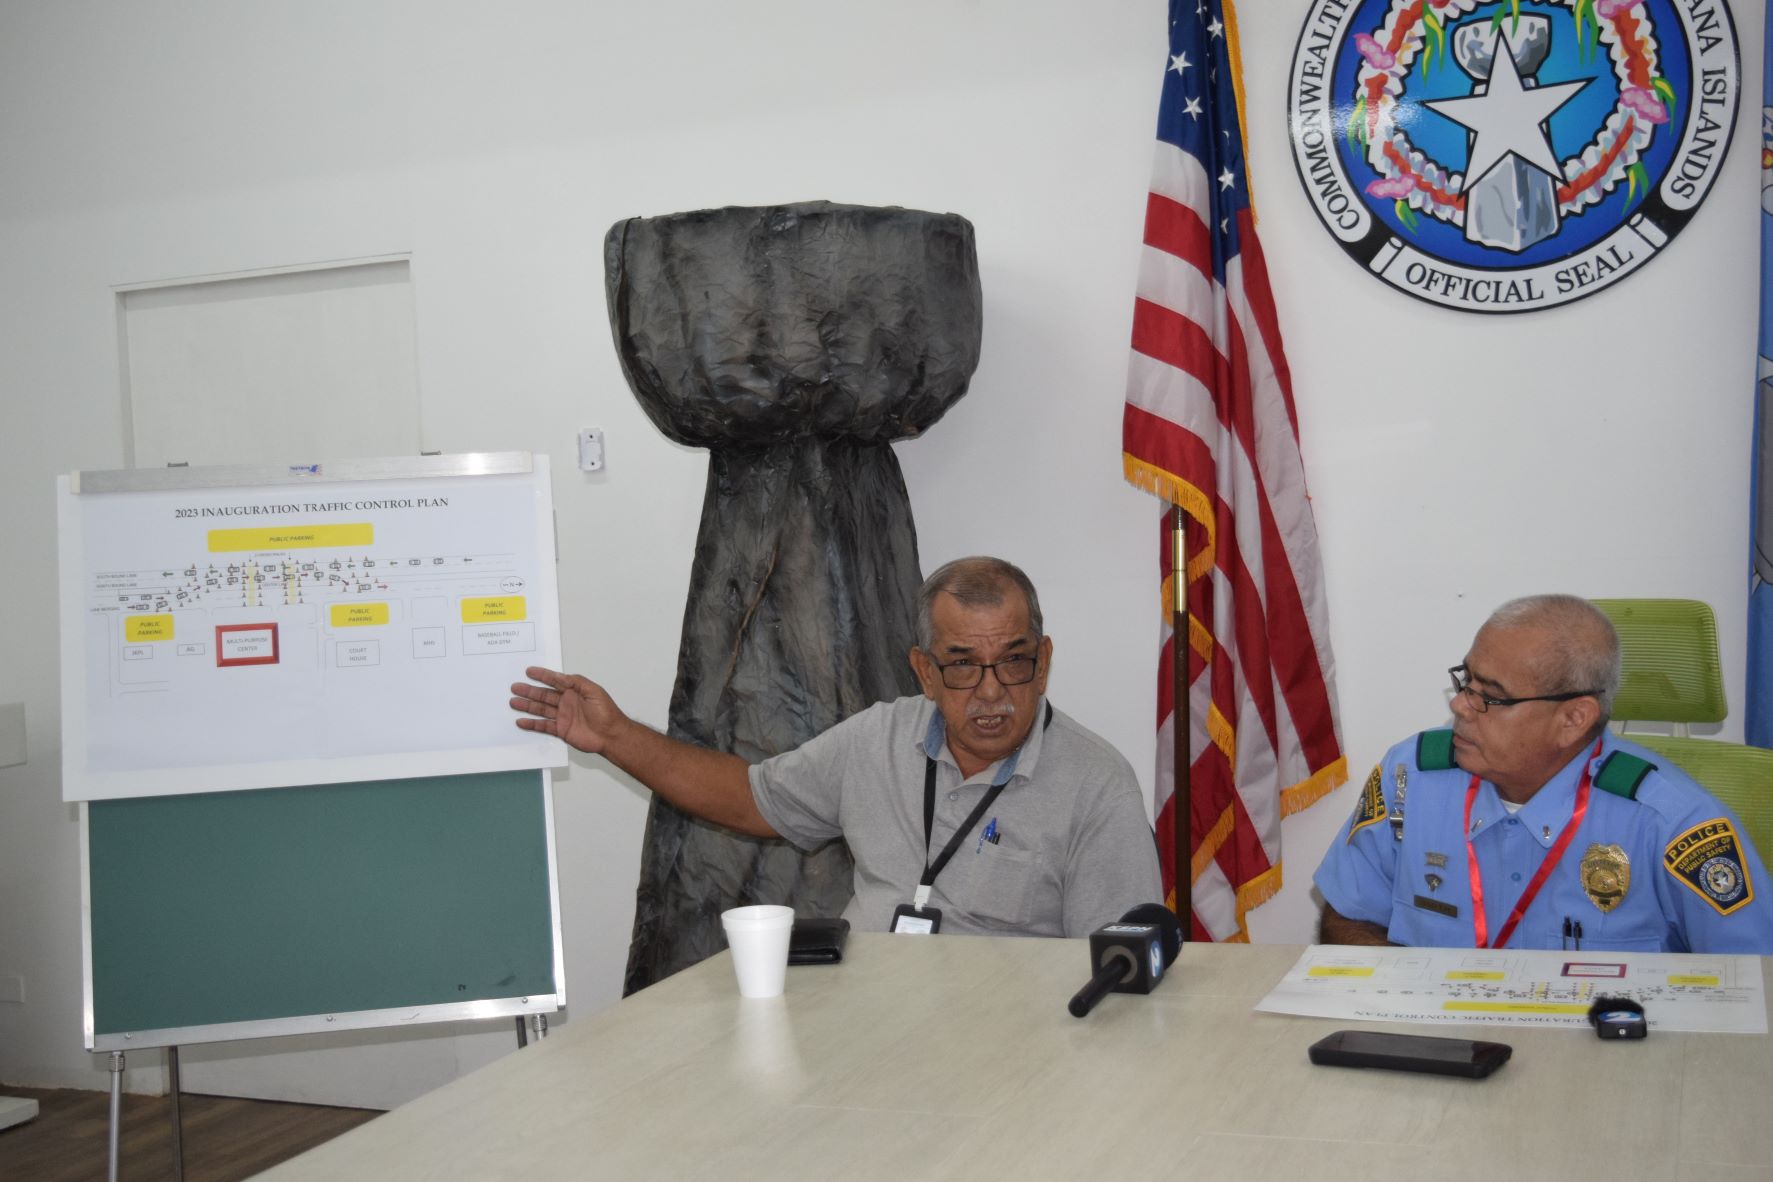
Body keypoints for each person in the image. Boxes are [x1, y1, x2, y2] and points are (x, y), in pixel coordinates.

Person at [511, 556, 1162, 937]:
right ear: (925, 672)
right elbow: (748, 799)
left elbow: (1118, 972)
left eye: (1012, 662)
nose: (991, 692)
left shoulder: (1096, 785)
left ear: (1042, 664)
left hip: (1005, 1054)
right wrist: (616, 737)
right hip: (861, 1030)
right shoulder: (876, 740)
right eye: (962, 666)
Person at [1315, 595, 1773, 953]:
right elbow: (1347, 916)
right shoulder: (1410, 777)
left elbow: (1752, 984)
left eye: (1490, 697)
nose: (1459, 705)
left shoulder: (1672, 822)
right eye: (1465, 681)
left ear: (1574, 718)